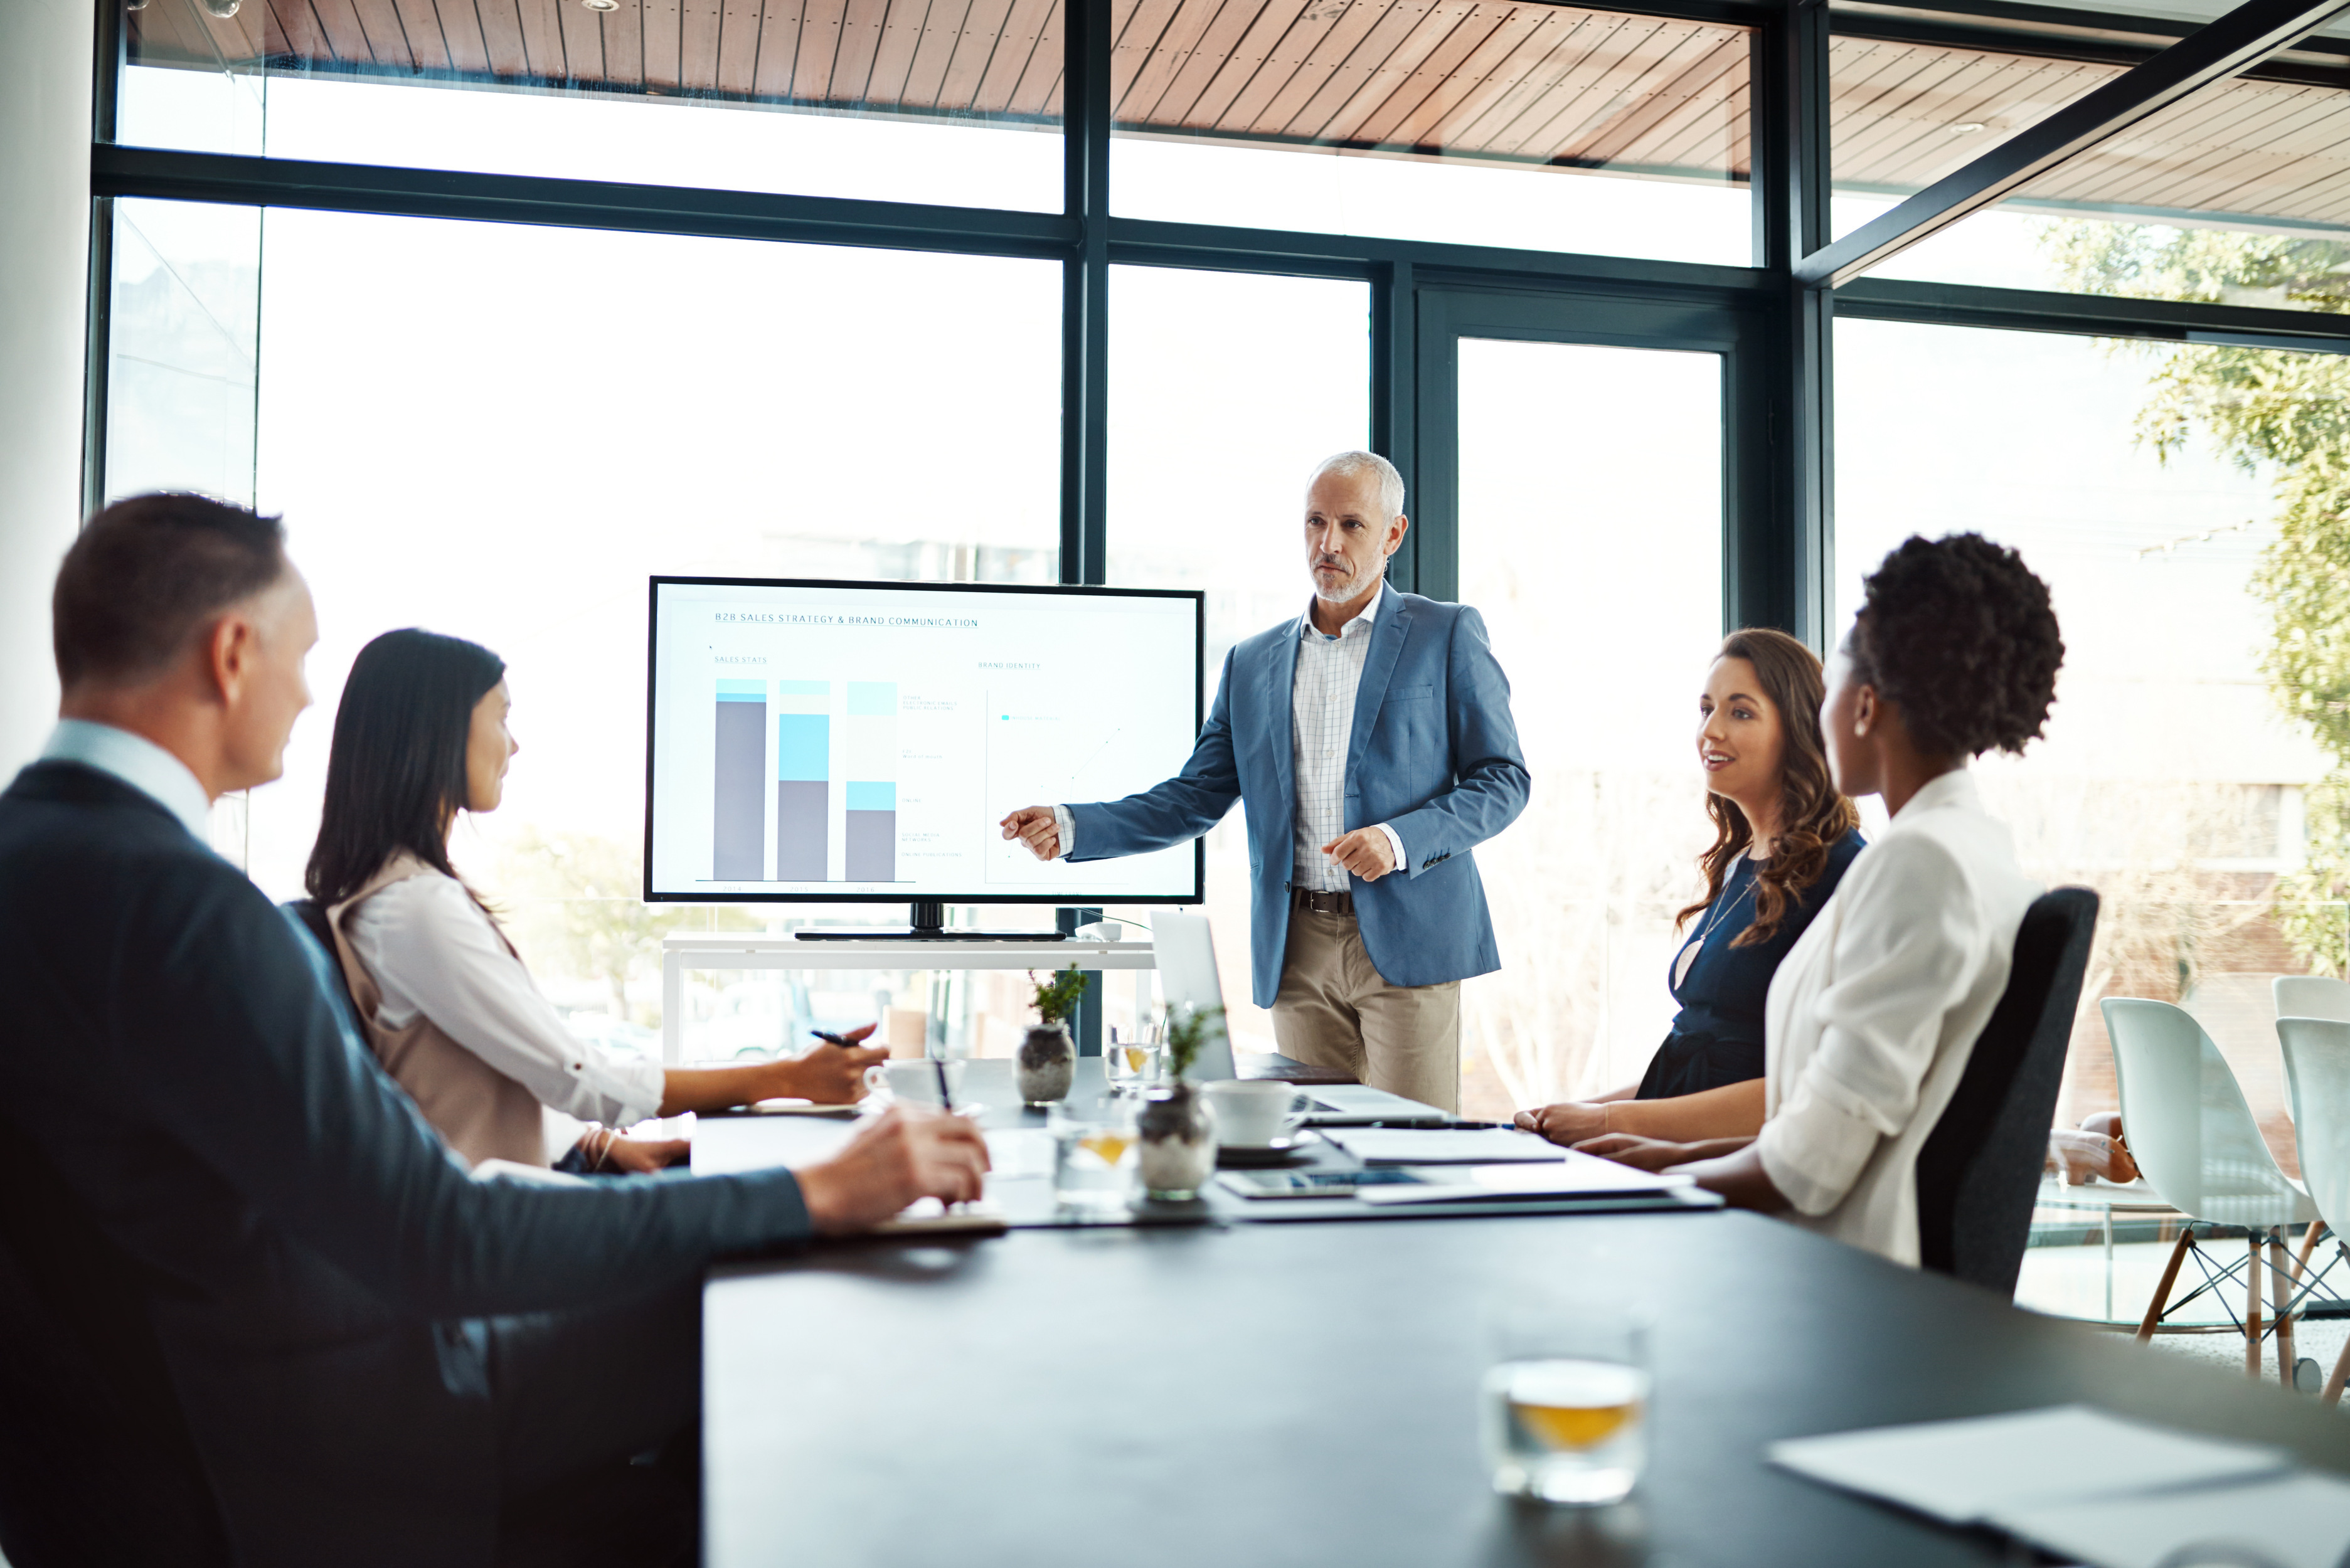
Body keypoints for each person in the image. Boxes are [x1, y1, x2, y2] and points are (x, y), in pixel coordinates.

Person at [0, 493, 990, 1567]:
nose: (303, 697)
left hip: (179, 1442)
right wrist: (814, 1192)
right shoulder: (182, 912)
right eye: (302, 658)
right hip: (360, 1414)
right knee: (758, 1291)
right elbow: (438, 1238)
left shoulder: (37, 864)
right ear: (233, 653)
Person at [1573, 532, 2063, 1266]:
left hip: (1830, 1273)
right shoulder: (1975, 846)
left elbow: (1809, 1164)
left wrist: (1646, 1174)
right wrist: (1641, 1145)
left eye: (1829, 688)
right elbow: (1831, 1125)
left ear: (1863, 706)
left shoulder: (1916, 864)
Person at [999, 451, 1529, 1113]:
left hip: (1409, 938)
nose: (1326, 544)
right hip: (1295, 948)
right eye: (1314, 522)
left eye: (1351, 526)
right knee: (1309, 1154)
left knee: (1411, 1155)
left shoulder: (1444, 634)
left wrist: (1397, 839)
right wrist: (1073, 824)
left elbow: (1502, 779)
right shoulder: (1251, 662)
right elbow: (1193, 798)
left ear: (1392, 535)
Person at [304, 628, 886, 1173]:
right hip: (512, 1222)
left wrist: (598, 1147)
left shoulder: (387, 894)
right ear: (436, 731)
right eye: (502, 717)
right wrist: (788, 1078)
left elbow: (500, 1069)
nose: (515, 744)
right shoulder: (415, 908)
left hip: (534, 1184)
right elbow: (580, 1076)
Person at [1516, 628, 1863, 1147]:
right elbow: (1691, 1065)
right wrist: (1570, 1114)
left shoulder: (1842, 871)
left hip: (1737, 1168)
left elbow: (1813, 1089)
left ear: (1798, 730)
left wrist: (1611, 1124)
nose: (1710, 731)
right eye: (1706, 709)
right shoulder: (1739, 865)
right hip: (1674, 1150)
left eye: (1740, 712)